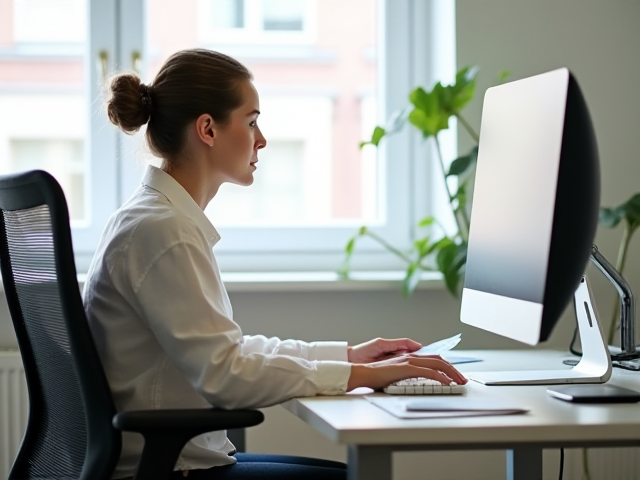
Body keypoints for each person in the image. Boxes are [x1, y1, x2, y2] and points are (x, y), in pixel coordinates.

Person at [83, 48, 467, 480]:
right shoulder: (164, 231)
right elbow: (225, 375)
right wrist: (358, 375)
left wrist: (350, 356)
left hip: (174, 461)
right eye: (251, 122)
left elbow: (229, 352)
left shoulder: (158, 218)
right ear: (207, 129)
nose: (261, 138)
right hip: (169, 471)